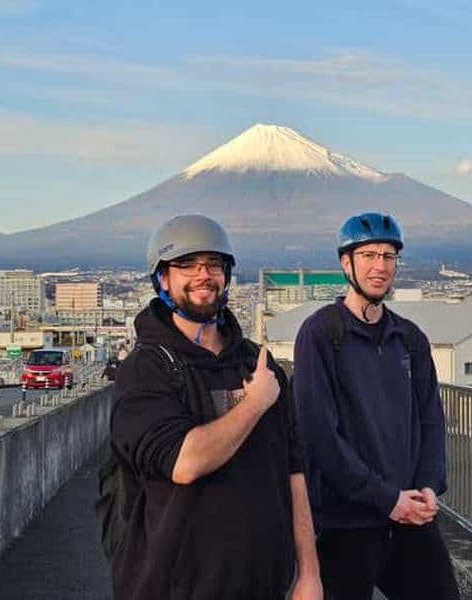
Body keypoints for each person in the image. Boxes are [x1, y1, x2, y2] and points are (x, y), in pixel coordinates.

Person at [109, 214, 321, 600]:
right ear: (162, 279)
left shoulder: (257, 363)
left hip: (264, 585)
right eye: (186, 264)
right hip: (173, 588)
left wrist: (309, 573)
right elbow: (186, 463)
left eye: (213, 264)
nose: (203, 274)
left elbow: (294, 472)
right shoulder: (146, 369)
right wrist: (255, 403)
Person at [293, 212, 460, 600]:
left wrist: (430, 486)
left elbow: (431, 419)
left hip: (409, 516)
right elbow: (319, 434)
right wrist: (385, 498)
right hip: (344, 521)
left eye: (388, 256)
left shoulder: (409, 338)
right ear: (345, 263)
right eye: (368, 255)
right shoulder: (320, 334)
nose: (380, 266)